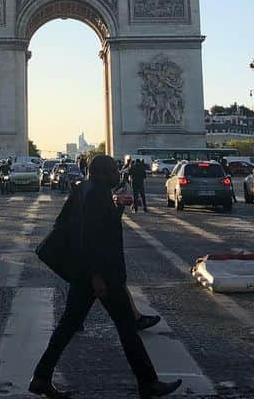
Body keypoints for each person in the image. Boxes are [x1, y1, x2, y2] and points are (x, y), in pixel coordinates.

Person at [30, 155, 182, 399]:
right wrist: (96, 276)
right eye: (113, 171)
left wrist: (116, 211)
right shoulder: (97, 194)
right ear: (100, 173)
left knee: (68, 328)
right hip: (102, 276)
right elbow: (90, 238)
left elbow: (70, 225)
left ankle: (41, 377)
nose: (117, 174)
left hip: (86, 275)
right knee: (126, 330)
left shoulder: (83, 190)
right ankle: (149, 383)